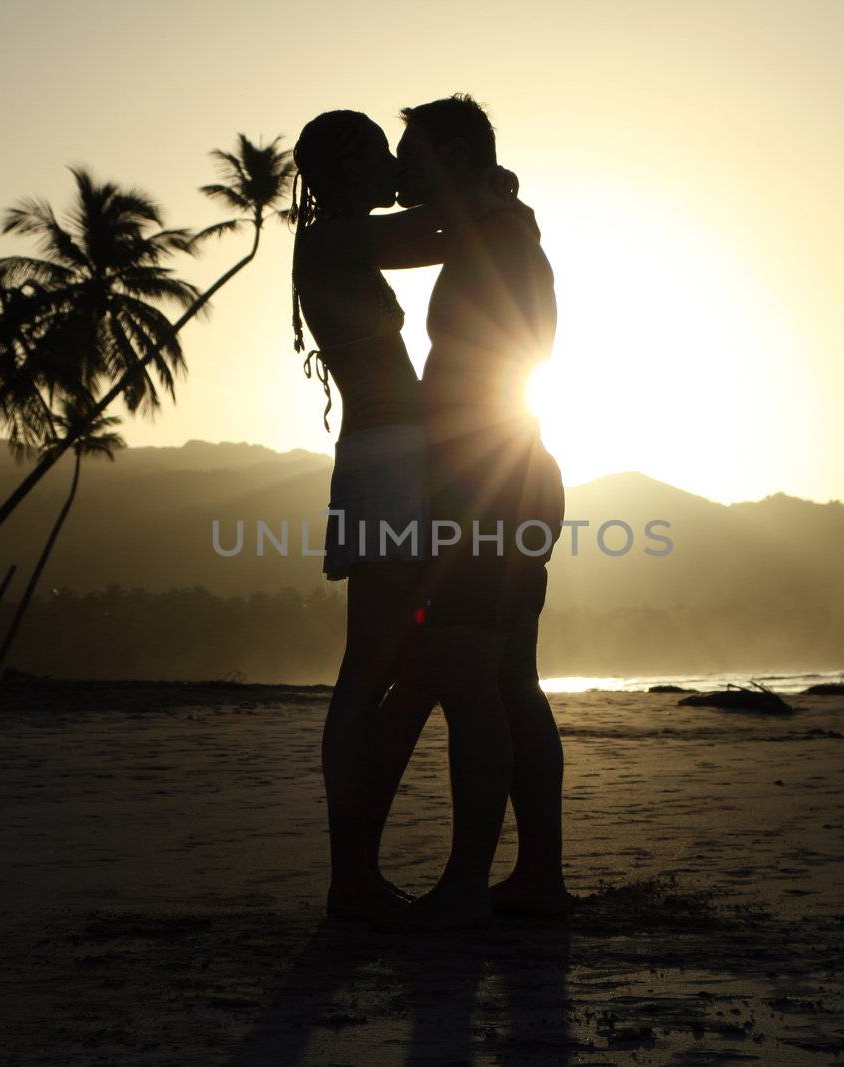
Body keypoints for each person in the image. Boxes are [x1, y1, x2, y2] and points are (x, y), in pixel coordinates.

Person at [288, 110, 516, 922]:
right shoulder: (337, 241)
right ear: (346, 169)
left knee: (402, 668)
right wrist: (492, 197)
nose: (391, 165)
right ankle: (350, 875)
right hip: (387, 463)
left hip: (394, 460)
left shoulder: (341, 237)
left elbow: (443, 230)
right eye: (379, 155)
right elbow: (443, 232)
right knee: (370, 670)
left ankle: (360, 870)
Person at [382, 94, 571, 931]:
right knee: (507, 682)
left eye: (409, 155)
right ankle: (534, 875)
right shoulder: (499, 227)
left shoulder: (494, 234)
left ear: (451, 156)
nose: (398, 171)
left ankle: (468, 883)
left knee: (473, 681)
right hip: (517, 470)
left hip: (486, 480)